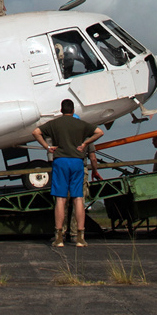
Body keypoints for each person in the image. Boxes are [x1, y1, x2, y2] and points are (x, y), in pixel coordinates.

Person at [31, 99, 103, 247]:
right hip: (77, 162)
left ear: (61, 109)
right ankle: (80, 237)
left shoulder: (55, 123)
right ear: (73, 110)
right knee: (78, 199)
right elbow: (99, 132)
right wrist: (85, 144)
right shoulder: (81, 124)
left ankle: (58, 237)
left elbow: (36, 132)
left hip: (61, 161)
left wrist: (48, 147)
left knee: (60, 199)